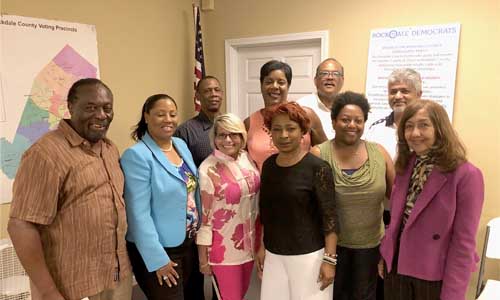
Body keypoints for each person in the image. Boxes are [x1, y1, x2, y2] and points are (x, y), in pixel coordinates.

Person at [7, 78, 132, 300]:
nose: (101, 115)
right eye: (91, 107)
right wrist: (48, 292)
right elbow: (21, 225)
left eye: (107, 108)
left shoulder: (109, 148)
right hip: (70, 288)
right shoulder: (45, 154)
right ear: (71, 107)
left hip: (116, 277)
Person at [379, 100, 484, 300]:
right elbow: (397, 222)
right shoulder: (404, 165)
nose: (415, 133)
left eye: (423, 125)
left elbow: (463, 242)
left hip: (434, 274)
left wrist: (453, 294)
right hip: (397, 267)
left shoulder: (466, 174)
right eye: (409, 126)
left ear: (440, 129)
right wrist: (385, 255)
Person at [311, 91, 395, 300]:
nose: (352, 125)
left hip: (371, 249)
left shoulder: (380, 154)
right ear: (333, 122)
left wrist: (390, 246)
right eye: (345, 119)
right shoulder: (319, 155)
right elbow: (310, 207)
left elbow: (397, 198)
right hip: (330, 248)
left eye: (358, 120)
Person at [121, 94, 202, 300]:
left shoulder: (179, 145)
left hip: (188, 242)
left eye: (173, 114)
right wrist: (158, 259)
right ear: (146, 117)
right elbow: (138, 214)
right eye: (160, 114)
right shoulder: (137, 155)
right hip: (162, 249)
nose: (168, 119)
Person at [257, 102, 337, 300]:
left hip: (309, 257)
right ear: (270, 132)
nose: (283, 135)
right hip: (274, 255)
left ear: (303, 131)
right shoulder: (268, 166)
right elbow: (267, 211)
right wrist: (262, 245)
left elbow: (330, 217)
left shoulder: (318, 168)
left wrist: (329, 260)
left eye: (290, 128)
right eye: (277, 129)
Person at [196, 113, 260, 300]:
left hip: (249, 245)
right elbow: (204, 219)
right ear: (214, 138)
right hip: (223, 251)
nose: (228, 140)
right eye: (222, 135)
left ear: (242, 137)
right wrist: (203, 259)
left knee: (242, 295)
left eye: (234, 134)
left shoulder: (246, 158)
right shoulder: (208, 169)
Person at [244, 59, 328, 171]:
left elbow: (327, 153)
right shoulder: (249, 123)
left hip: (302, 185)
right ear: (261, 84)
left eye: (281, 82)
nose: (275, 86)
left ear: (288, 85)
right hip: (263, 186)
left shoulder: (307, 115)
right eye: (269, 82)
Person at [366, 68, 422, 160]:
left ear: (419, 94)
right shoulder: (375, 130)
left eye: (404, 91)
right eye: (393, 92)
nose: (398, 96)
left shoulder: (427, 130)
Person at [175, 75, 223, 167]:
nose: (213, 94)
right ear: (197, 96)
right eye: (207, 91)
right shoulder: (185, 131)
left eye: (217, 90)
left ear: (222, 94)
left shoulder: (232, 127)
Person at [297, 58, 344, 139]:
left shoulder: (350, 108)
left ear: (342, 80)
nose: (330, 77)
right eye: (324, 73)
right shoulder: (301, 106)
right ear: (315, 80)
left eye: (335, 74)